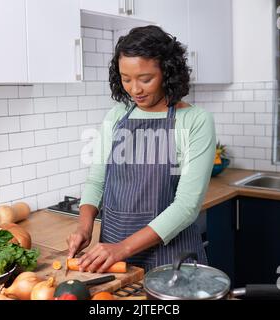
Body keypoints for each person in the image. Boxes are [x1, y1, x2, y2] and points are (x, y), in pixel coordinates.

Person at [67, 25, 216, 272]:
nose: (135, 89)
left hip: (170, 260)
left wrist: (123, 248)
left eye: (145, 79)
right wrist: (84, 226)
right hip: (112, 259)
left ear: (168, 73)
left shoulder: (195, 121)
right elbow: (96, 181)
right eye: (126, 79)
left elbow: (187, 206)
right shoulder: (115, 117)